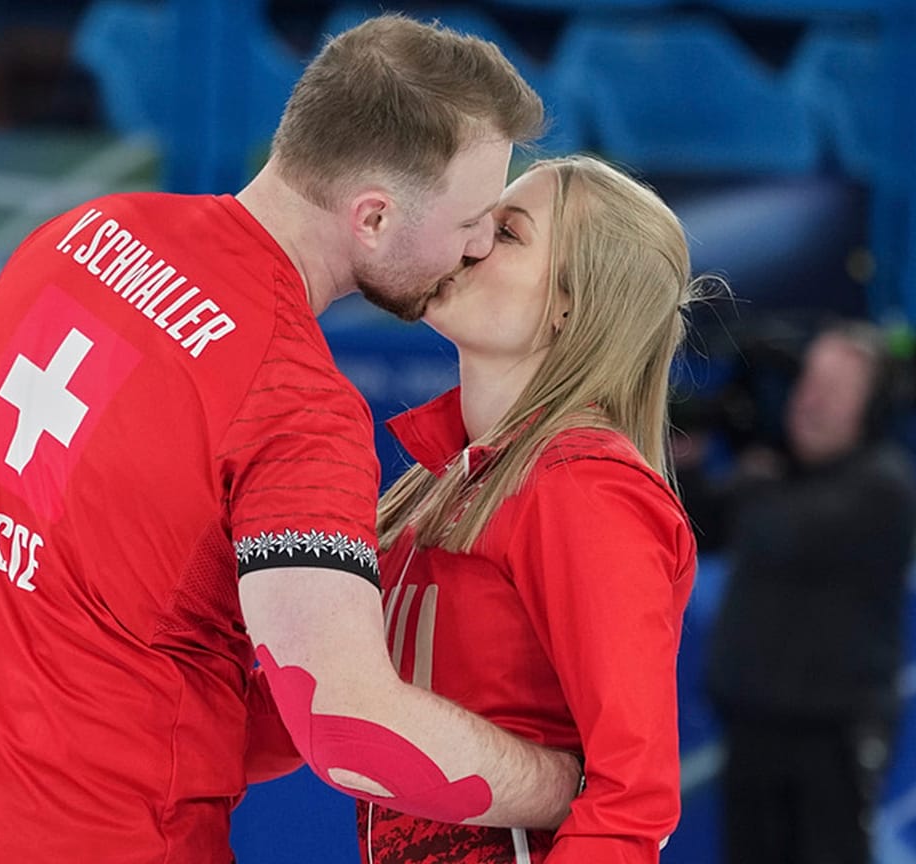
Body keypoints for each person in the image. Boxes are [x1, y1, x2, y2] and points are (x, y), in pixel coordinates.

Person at [0, 15, 584, 864]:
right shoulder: (298, 404)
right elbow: (346, 722)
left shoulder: (78, 234)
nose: (481, 244)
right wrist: (564, 781)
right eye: (471, 221)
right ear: (373, 217)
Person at [246, 155, 701, 861]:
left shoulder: (587, 489)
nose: (469, 241)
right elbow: (310, 707)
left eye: (508, 233)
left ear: (571, 303)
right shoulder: (439, 485)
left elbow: (634, 797)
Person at [693, 321, 916, 864]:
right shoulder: (775, 476)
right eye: (808, 384)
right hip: (752, 730)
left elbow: (781, 530)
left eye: (836, 390)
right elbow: (700, 521)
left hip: (833, 741)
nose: (812, 402)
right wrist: (693, 459)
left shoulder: (886, 486)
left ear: (871, 410)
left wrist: (752, 471)